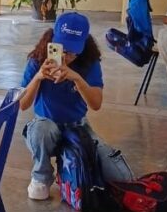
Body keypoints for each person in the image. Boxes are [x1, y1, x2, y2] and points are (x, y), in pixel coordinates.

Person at [19, 12, 132, 201]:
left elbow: (96, 104)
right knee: (42, 130)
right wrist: (38, 77)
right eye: (61, 48)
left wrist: (77, 78)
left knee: (120, 177)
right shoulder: (37, 60)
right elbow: (22, 104)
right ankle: (40, 177)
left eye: (72, 51)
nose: (66, 55)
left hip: (77, 126)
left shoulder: (89, 63)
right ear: (52, 41)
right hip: (45, 124)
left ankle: (69, 166)